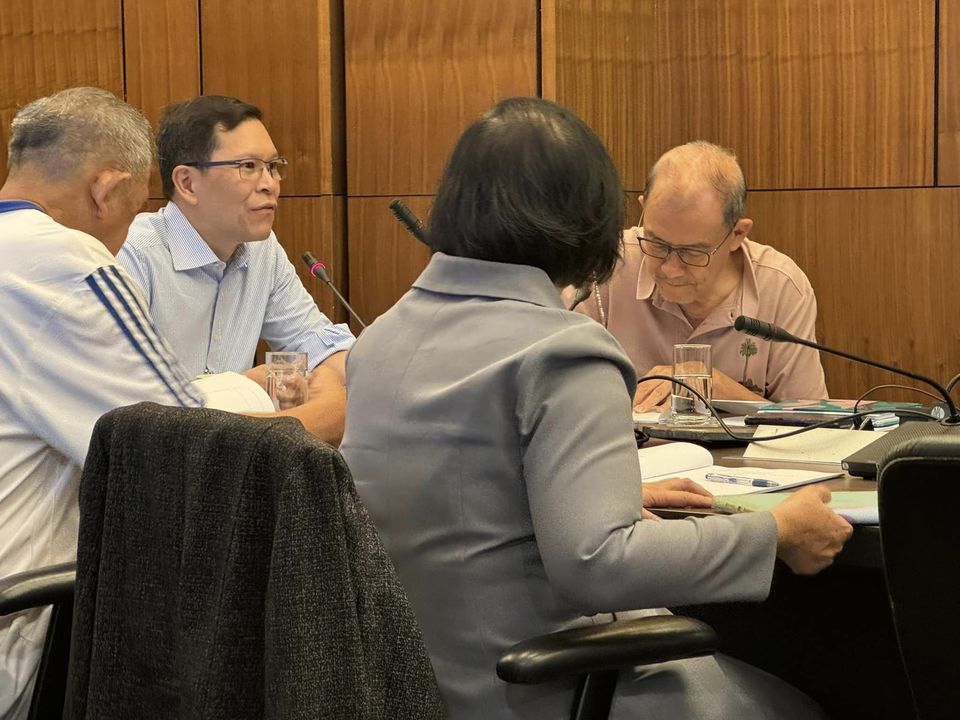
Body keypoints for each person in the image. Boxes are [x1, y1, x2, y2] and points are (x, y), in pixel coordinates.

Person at [339, 97, 852, 719]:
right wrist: (777, 533)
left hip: (418, 685)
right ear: (588, 218)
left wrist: (603, 494)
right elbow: (599, 565)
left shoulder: (379, 339)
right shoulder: (561, 349)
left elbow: (460, 501)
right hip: (546, 684)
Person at [0, 87, 202, 720]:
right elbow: (188, 448)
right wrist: (322, 412)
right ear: (106, 189)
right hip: (15, 633)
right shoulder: (63, 259)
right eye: (134, 211)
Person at [117, 95, 353, 442]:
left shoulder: (262, 250)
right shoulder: (131, 257)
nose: (270, 183)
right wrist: (249, 387)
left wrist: (333, 380)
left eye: (273, 166)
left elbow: (317, 348)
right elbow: (131, 412)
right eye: (248, 166)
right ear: (187, 183)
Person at [576, 141, 828, 411]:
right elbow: (563, 391)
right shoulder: (608, 266)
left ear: (737, 234)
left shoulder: (780, 286)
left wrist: (719, 388)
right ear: (643, 208)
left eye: (693, 252)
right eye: (656, 243)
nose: (670, 269)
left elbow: (810, 420)